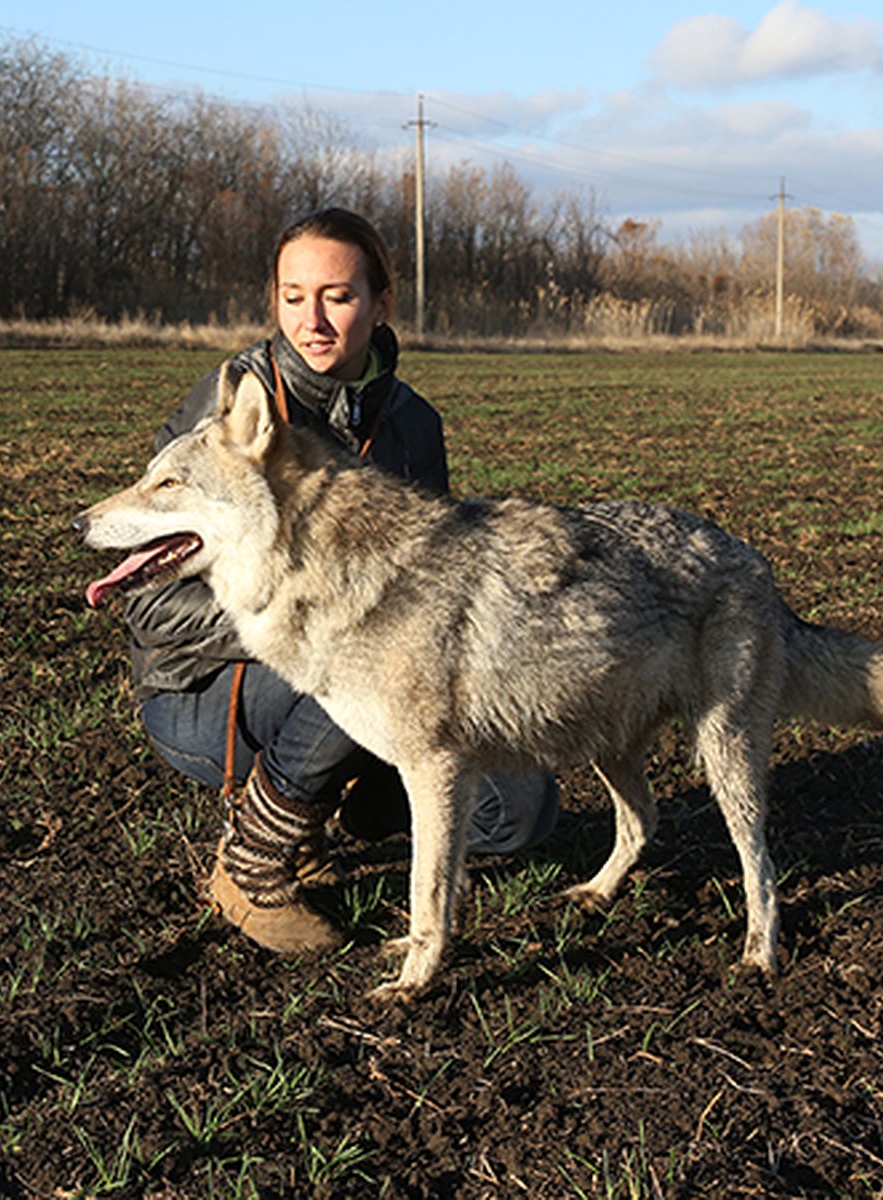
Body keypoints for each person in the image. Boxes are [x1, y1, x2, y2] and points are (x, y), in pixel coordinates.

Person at [124, 207, 559, 954]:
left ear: (381, 305)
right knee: (361, 646)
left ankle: (338, 799)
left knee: (520, 811)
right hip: (207, 695)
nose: (312, 320)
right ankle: (253, 859)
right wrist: (313, 615)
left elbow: (435, 589)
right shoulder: (232, 408)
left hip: (365, 679)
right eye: (293, 296)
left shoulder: (413, 424)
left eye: (337, 296)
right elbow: (151, 605)